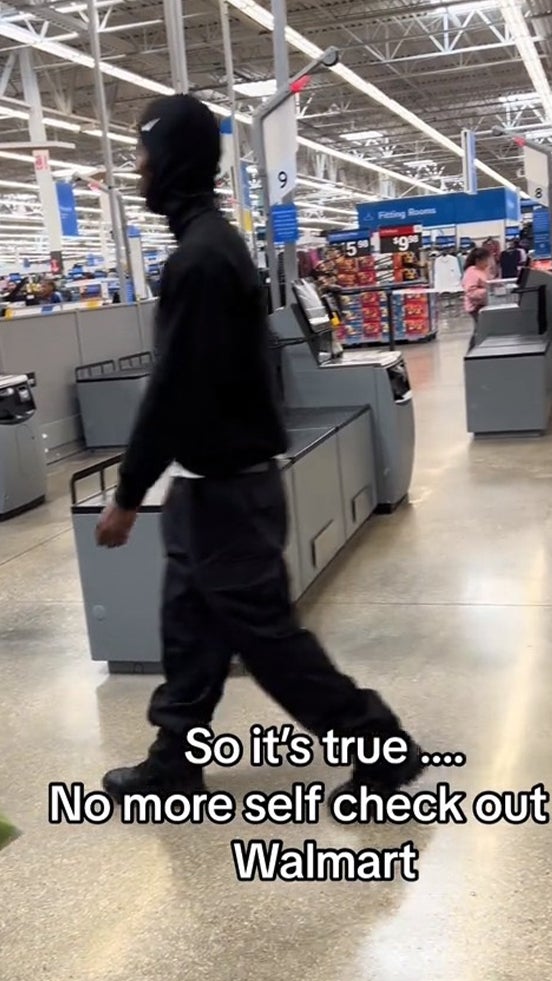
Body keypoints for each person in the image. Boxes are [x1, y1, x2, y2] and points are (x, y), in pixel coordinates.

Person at [95, 93, 423, 803]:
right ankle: (173, 760)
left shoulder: (202, 262)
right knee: (188, 631)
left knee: (270, 645)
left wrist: (126, 496)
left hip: (228, 496)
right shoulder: (208, 248)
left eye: (144, 152)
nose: (138, 168)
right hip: (210, 487)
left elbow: (171, 392)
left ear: (173, 159)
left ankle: (382, 747)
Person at [462, 245, 493, 321]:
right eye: (486, 260)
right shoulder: (471, 272)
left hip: (484, 304)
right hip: (476, 307)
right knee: (480, 328)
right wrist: (487, 291)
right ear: (478, 260)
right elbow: (470, 291)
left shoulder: (483, 270)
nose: (488, 262)